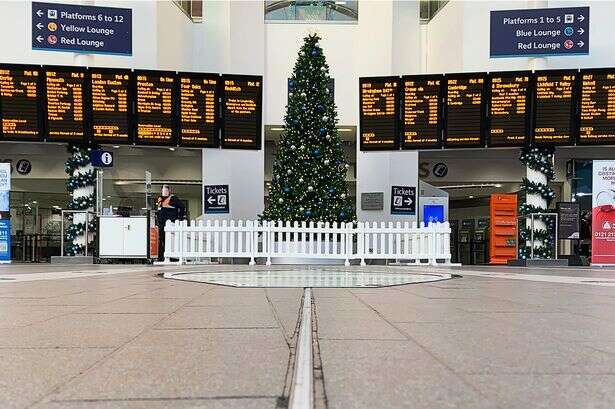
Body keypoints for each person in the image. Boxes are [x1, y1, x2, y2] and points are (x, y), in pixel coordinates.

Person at [156, 184, 186, 261]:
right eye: (163, 190)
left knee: (171, 240)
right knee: (161, 240)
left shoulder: (173, 198)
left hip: (171, 224)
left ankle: (172, 257)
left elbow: (182, 207)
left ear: (169, 191)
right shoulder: (160, 199)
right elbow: (159, 210)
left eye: (166, 190)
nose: (164, 192)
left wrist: (180, 218)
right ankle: (161, 257)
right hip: (161, 223)